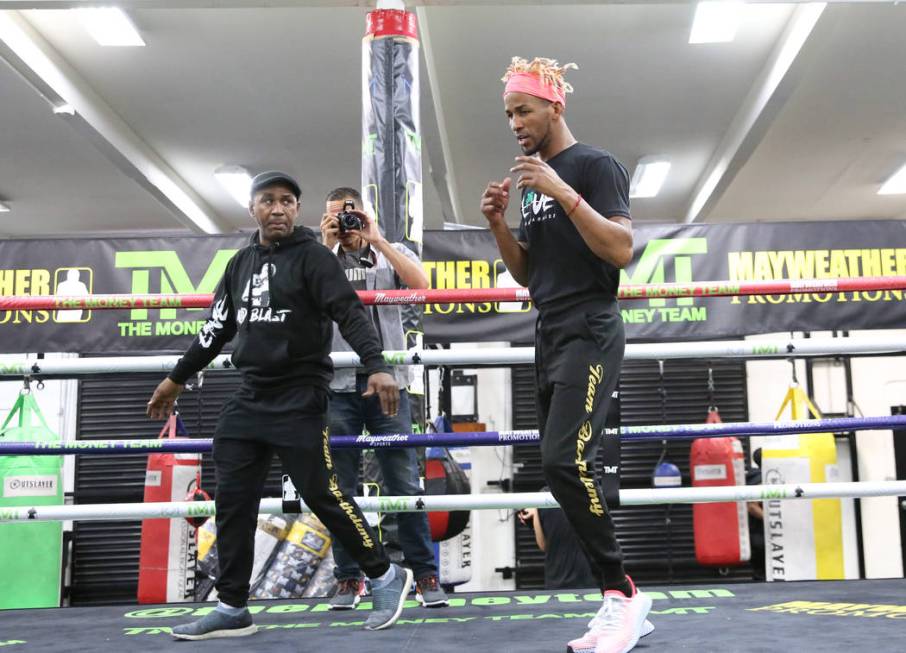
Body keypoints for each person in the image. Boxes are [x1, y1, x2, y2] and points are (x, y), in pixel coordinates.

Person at [146, 171, 412, 640]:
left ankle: (386, 576)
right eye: (268, 200)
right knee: (232, 501)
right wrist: (176, 379)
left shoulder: (314, 258)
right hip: (249, 398)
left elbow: (350, 314)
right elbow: (216, 330)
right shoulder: (239, 264)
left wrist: (377, 365)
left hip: (301, 395)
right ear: (253, 209)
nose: (278, 209)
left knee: (323, 493)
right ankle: (231, 606)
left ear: (297, 209)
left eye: (288, 201)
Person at [480, 57, 650, 653]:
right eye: (508, 114)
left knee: (561, 460)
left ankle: (620, 593)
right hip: (548, 328)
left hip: (591, 325)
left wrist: (563, 191)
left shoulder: (594, 166)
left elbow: (621, 249)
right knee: (560, 468)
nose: (515, 123)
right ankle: (617, 595)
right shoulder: (531, 179)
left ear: (555, 106)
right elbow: (528, 273)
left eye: (523, 110)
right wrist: (500, 224)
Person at [319, 187, 448, 609]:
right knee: (340, 487)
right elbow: (302, 301)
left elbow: (422, 285)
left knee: (404, 480)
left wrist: (376, 238)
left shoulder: (383, 252)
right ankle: (349, 578)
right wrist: (325, 246)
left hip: (387, 380)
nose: (346, 225)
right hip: (337, 383)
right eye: (338, 218)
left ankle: (425, 574)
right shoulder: (318, 260)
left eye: (351, 216)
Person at [746, 448, 766, 580]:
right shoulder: (760, 478)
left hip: (755, 533)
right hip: (760, 534)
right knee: (763, 573)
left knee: (760, 572)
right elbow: (752, 506)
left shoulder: (753, 476)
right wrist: (772, 520)